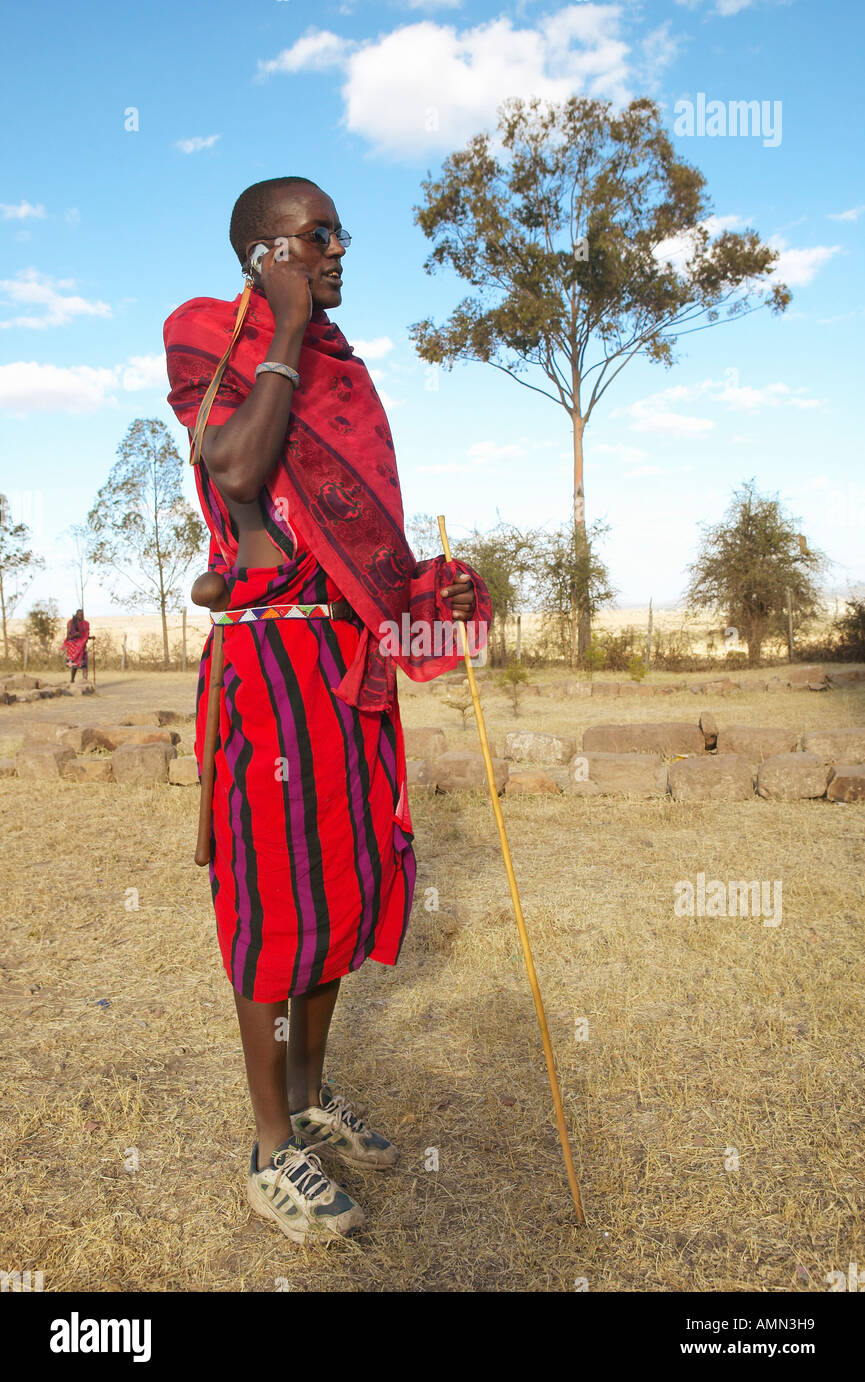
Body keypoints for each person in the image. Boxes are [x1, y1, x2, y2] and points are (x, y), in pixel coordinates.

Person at [164, 176, 490, 1245]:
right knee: (272, 905)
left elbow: (362, 542)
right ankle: (268, 1149)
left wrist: (422, 590)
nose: (341, 248)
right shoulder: (208, 339)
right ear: (264, 252)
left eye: (340, 231)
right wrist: (288, 327)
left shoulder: (344, 376)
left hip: (345, 664)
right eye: (318, 235)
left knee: (342, 893)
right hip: (268, 667)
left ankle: (308, 1095)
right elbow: (239, 463)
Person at [61, 608, 92, 682]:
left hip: (82, 646)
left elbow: (84, 636)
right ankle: (72, 680)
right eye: (80, 615)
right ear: (77, 615)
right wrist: (75, 635)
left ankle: (85, 681)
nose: (82, 616)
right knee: (74, 666)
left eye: (83, 615)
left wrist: (90, 637)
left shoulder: (85, 624)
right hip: (73, 647)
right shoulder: (70, 623)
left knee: (84, 664)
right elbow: (68, 637)